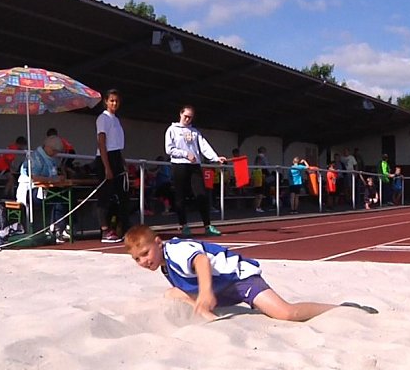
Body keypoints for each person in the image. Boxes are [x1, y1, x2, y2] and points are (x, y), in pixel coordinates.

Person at [123, 224, 378, 321]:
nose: (143, 261)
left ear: (158, 242)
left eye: (145, 254)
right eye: (137, 259)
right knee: (171, 293)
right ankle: (208, 309)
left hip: (239, 279)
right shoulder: (164, 263)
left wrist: (205, 293)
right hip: (222, 291)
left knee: (286, 314)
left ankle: (342, 308)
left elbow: (200, 260)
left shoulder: (176, 250)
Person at [165, 105, 226, 237]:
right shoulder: (172, 130)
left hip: (194, 166)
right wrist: (185, 154)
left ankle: (207, 226)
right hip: (179, 165)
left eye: (190, 117)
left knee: (202, 194)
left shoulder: (195, 132)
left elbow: (204, 146)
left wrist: (216, 158)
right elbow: (169, 149)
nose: (187, 119)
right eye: (185, 116)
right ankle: (183, 225)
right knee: (180, 196)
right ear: (180, 114)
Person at [94, 89, 132, 243]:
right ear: (106, 101)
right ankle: (104, 230)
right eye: (111, 101)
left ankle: (124, 228)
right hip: (105, 157)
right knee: (105, 195)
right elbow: (101, 143)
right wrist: (107, 167)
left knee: (122, 196)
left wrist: (122, 162)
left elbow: (117, 145)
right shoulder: (103, 118)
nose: (114, 103)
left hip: (116, 157)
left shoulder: (116, 120)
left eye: (116, 101)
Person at [15, 135, 67, 242]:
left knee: (65, 195)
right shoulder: (35, 158)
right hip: (30, 191)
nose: (55, 153)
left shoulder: (51, 160)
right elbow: (33, 177)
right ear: (48, 147)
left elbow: (53, 175)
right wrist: (52, 180)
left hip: (45, 190)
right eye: (54, 150)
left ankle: (61, 227)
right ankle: (57, 228)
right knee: (58, 198)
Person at [253, 146, 270, 213]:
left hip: (256, 174)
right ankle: (258, 206)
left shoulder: (256, 158)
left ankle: (256, 206)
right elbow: (266, 165)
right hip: (261, 174)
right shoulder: (262, 157)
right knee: (260, 191)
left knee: (257, 191)